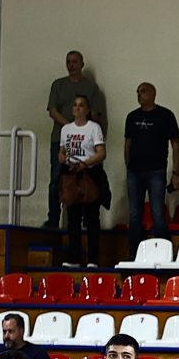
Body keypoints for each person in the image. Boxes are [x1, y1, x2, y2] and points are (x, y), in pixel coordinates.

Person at [42, 49, 104, 232]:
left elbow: (96, 114)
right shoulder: (58, 85)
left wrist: (83, 128)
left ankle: (85, 219)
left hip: (85, 144)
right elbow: (53, 111)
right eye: (68, 61)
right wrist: (70, 127)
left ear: (82, 64)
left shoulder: (91, 87)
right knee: (57, 179)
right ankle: (53, 219)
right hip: (60, 139)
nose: (71, 65)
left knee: (85, 181)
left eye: (75, 61)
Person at [123, 81, 179, 243]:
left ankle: (162, 249)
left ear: (153, 93)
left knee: (157, 213)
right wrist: (128, 165)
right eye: (137, 92)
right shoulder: (132, 117)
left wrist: (176, 172)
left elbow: (176, 144)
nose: (139, 95)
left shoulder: (165, 115)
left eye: (143, 91)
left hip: (156, 171)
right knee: (134, 213)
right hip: (134, 171)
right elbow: (127, 143)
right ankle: (134, 252)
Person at [58, 93, 109, 268]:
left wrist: (86, 163)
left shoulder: (94, 128)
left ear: (87, 110)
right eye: (75, 105)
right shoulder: (66, 129)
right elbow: (62, 151)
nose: (77, 108)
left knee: (91, 217)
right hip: (71, 174)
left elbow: (101, 153)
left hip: (89, 174)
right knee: (73, 218)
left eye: (81, 105)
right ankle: (73, 257)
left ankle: (93, 258)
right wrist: (62, 157)